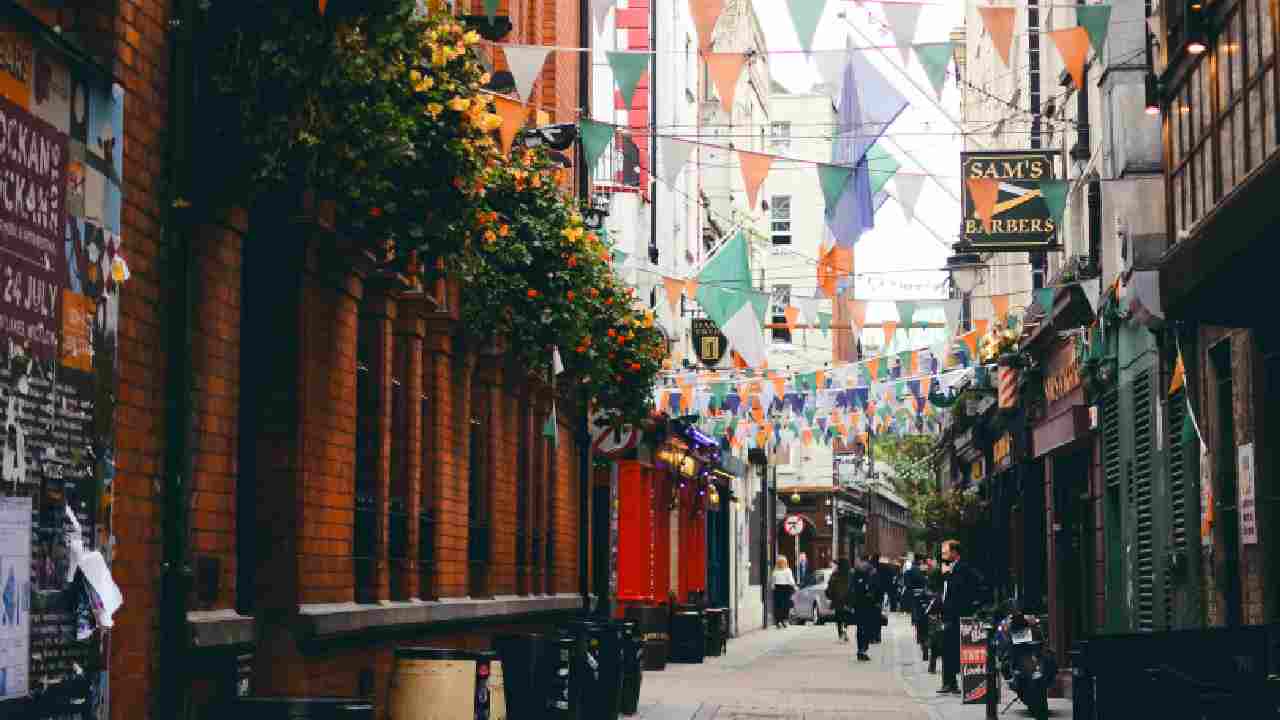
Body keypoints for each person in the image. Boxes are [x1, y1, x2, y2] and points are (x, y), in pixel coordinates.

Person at [939, 540, 979, 695]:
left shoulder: (964, 569)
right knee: (948, 649)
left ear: (955, 552)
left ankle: (951, 682)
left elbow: (971, 588)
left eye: (945, 552)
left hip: (957, 615)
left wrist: (968, 607)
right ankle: (949, 683)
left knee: (952, 649)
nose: (943, 555)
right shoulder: (950, 569)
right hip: (949, 615)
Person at [851, 556, 879, 661]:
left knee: (859, 627)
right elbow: (877, 588)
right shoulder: (872, 570)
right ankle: (864, 649)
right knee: (867, 626)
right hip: (869, 603)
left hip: (858, 603)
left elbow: (851, 588)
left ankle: (859, 649)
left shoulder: (855, 571)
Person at [903, 559, 929, 660]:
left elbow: (907, 583)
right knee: (923, 618)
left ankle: (920, 637)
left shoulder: (909, 572)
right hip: (924, 595)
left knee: (917, 614)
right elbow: (926, 582)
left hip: (913, 595)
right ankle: (923, 640)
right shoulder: (923, 571)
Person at [825, 557, 853, 642]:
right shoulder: (851, 574)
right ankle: (845, 629)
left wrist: (830, 595)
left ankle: (841, 634)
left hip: (837, 599)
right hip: (848, 599)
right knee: (846, 616)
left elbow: (830, 586)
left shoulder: (835, 574)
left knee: (839, 617)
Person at [771, 556, 797, 629]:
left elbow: (773, 581)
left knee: (778, 605)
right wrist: (794, 586)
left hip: (777, 589)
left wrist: (773, 587)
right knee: (785, 605)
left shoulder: (775, 571)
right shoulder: (788, 570)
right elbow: (790, 580)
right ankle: (784, 620)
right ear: (785, 563)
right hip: (785, 589)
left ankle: (778, 621)